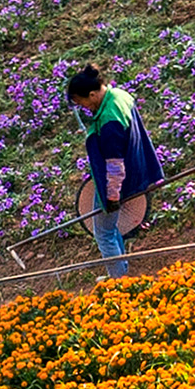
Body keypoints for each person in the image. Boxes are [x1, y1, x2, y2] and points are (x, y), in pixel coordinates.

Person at [65, 64, 164, 278]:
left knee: (104, 233)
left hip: (117, 182)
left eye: (82, 102)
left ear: (92, 94)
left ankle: (120, 283)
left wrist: (111, 196)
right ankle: (121, 271)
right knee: (111, 228)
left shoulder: (109, 122)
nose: (84, 108)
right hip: (136, 170)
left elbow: (115, 165)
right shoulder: (120, 95)